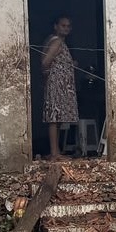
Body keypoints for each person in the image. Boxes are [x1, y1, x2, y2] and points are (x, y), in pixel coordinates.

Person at [40, 14, 79, 160]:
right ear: (55, 26)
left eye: (68, 26)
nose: (66, 28)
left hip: (59, 85)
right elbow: (45, 62)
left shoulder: (57, 41)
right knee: (54, 118)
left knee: (57, 118)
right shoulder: (56, 42)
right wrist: (51, 76)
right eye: (63, 25)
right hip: (56, 84)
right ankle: (54, 153)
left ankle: (56, 152)